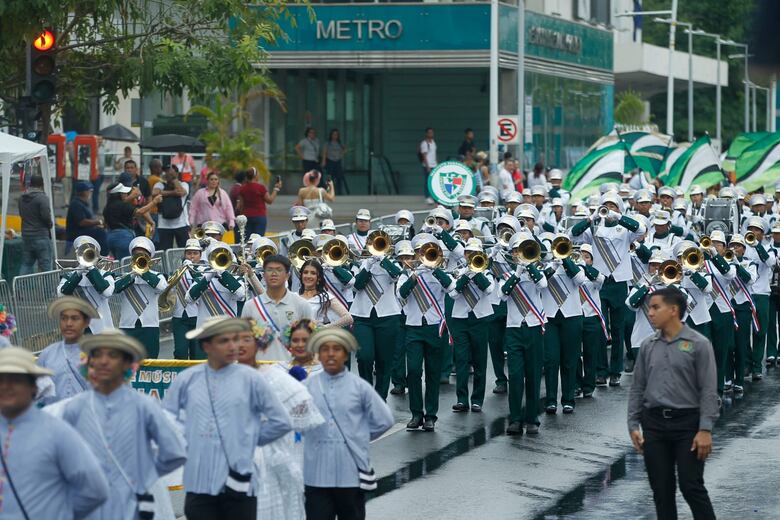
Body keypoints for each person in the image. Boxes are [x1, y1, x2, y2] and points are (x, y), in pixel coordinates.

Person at [163, 316, 292, 520]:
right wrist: (190, 440)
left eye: (235, 339)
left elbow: (281, 421)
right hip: (200, 481)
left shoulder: (251, 379)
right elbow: (168, 420)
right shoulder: (187, 380)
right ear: (206, 345)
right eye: (224, 341)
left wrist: (248, 438)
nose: (233, 346)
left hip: (239, 479)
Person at [61, 330, 187, 520]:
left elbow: (174, 453)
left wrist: (145, 473)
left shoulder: (144, 406)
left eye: (112, 355)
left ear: (127, 364)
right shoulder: (75, 408)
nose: (104, 361)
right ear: (89, 363)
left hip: (141, 501)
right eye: (96, 354)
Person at [628, 287, 718, 520]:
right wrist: (633, 425)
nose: (650, 312)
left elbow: (708, 389)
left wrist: (705, 429)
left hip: (688, 424)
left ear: (674, 310)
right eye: (650, 307)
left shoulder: (699, 344)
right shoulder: (648, 345)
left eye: (656, 307)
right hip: (655, 425)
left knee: (691, 486)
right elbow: (638, 387)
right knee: (661, 490)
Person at [0, 347, 109, 518]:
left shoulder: (57, 432)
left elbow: (95, 489)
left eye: (15, 380)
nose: (6, 387)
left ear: (33, 387)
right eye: (1, 380)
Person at [236, 321, 324, 520]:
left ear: (260, 345)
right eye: (233, 340)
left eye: (247, 340)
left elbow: (307, 417)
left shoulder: (275, 377)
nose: (239, 346)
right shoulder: (220, 378)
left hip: (274, 455)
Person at [303, 328, 394, 520]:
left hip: (349, 472)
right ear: (318, 355)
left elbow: (384, 420)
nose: (330, 354)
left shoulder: (359, 387)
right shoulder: (307, 386)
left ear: (346, 354)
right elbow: (293, 420)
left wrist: (359, 437)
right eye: (325, 349)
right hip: (315, 472)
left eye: (336, 349)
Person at [396, 239, 452, 432]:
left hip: (434, 328)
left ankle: (430, 415)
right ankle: (416, 413)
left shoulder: (439, 274)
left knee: (433, 373)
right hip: (413, 327)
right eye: (419, 252)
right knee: (413, 370)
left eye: (426, 252)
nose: (423, 255)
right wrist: (414, 275)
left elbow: (451, 288)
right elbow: (402, 294)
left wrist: (435, 270)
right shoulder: (406, 275)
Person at [241, 255, 314, 362]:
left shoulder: (301, 304)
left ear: (287, 275)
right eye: (269, 270)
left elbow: (311, 341)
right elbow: (244, 342)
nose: (274, 274)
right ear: (264, 275)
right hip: (261, 370)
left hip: (292, 371)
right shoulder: (250, 306)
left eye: (279, 270)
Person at [37, 297, 97, 404]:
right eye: (64, 318)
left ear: (86, 322)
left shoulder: (97, 354)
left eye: (74, 318)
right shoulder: (47, 354)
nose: (68, 324)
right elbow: (36, 392)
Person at [113, 237, 166, 358]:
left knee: (151, 360)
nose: (139, 257)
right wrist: (132, 275)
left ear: (149, 257)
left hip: (150, 326)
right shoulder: (125, 276)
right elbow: (114, 289)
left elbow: (162, 287)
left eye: (142, 255)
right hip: (128, 326)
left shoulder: (157, 276)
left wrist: (144, 272)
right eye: (136, 255)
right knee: (126, 361)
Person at [57, 235, 116, 333]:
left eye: (88, 252)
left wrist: (91, 269)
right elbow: (61, 294)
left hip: (101, 324)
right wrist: (79, 272)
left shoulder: (104, 274)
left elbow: (107, 292)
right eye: (81, 251)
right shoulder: (70, 275)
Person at [103, 182, 159, 259]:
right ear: (118, 194)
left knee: (116, 263)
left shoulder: (107, 207)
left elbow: (105, 224)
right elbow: (139, 212)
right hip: (123, 238)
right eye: (123, 193)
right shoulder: (122, 205)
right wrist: (154, 202)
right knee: (125, 263)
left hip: (110, 237)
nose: (126, 194)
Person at [173, 239, 207, 360]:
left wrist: (191, 269)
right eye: (189, 253)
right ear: (184, 254)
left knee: (197, 354)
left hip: (198, 316)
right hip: (179, 317)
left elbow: (201, 282)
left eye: (195, 253)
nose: (192, 256)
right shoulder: (178, 271)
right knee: (180, 352)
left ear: (200, 255)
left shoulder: (205, 271)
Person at [299, 258, 353, 329]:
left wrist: (323, 328)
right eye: (305, 272)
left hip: (316, 337)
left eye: (313, 273)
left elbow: (348, 318)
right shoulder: (294, 297)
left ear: (319, 278)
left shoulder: (325, 297)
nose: (308, 276)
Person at [18, 174, 54, 274]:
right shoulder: (42, 198)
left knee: (26, 264)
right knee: (46, 266)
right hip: (41, 236)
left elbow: (22, 215)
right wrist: (50, 224)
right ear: (42, 184)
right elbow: (46, 216)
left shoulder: (22, 198)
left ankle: (20, 288)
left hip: (26, 236)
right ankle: (47, 290)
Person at [153, 163, 190, 250]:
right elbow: (154, 193)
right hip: (163, 225)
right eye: (166, 172)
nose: (168, 174)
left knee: (184, 249)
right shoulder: (159, 184)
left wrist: (174, 179)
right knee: (164, 250)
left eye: (170, 172)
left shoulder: (184, 184)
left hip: (181, 224)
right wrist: (173, 193)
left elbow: (181, 192)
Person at [238, 167, 282, 236]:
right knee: (258, 239)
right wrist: (276, 188)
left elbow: (240, 206)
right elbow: (269, 200)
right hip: (259, 217)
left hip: (246, 217)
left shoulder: (242, 188)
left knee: (247, 240)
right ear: (255, 176)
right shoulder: (260, 187)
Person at [66, 180, 108, 252]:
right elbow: (82, 222)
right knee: (100, 232)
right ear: (84, 192)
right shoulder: (76, 204)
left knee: (102, 230)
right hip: (77, 233)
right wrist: (99, 222)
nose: (90, 193)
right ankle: (104, 255)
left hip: (83, 231)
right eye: (90, 191)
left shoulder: (84, 203)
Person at [322, 129, 348, 195]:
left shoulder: (339, 143)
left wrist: (341, 154)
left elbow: (345, 149)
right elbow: (324, 152)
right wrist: (324, 161)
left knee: (339, 177)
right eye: (333, 134)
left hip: (337, 162)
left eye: (336, 135)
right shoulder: (328, 143)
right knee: (330, 178)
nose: (335, 136)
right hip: (330, 161)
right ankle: (328, 192)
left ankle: (339, 192)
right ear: (331, 135)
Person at [419, 127, 437, 204]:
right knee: (427, 181)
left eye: (432, 132)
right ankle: (427, 197)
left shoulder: (433, 142)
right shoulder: (424, 143)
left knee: (434, 182)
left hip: (434, 165)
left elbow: (434, 154)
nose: (431, 134)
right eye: (429, 132)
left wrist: (437, 163)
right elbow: (424, 155)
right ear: (426, 134)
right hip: (428, 165)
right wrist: (427, 166)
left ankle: (433, 197)